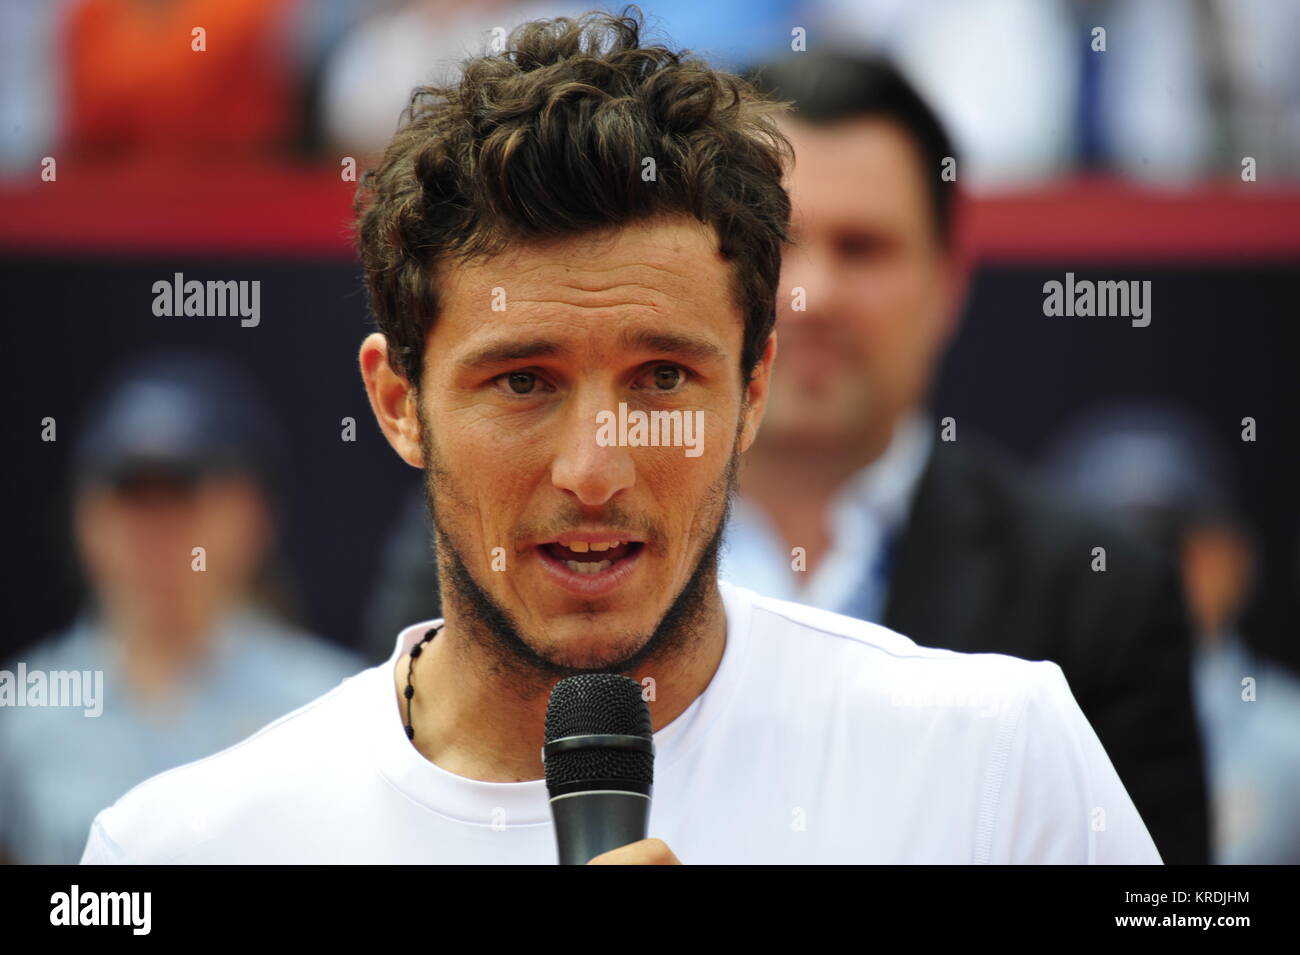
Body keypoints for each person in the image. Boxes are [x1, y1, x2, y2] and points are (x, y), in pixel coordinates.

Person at [80, 10, 1160, 864]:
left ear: (753, 386)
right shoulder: (177, 848)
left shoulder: (999, 760)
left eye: (660, 375)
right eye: (523, 381)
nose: (594, 468)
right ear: (398, 399)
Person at [0, 351, 362, 864]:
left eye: (181, 499)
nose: (155, 535)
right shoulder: (21, 718)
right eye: (131, 500)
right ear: (85, 518)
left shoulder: (335, 711)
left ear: (252, 513)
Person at [1043, 403, 1300, 864]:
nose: (1130, 576)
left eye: (1160, 543)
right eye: (1095, 549)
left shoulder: (1292, 746)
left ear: (1229, 560)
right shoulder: (1016, 728)